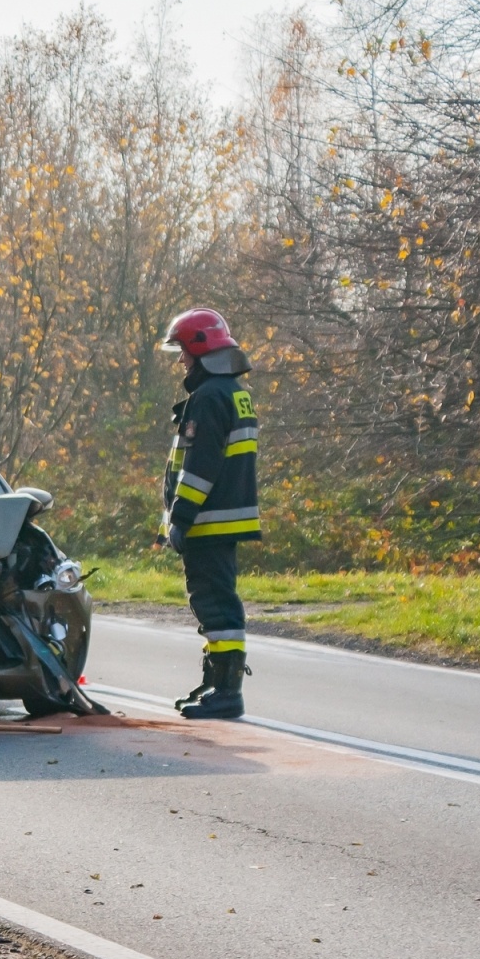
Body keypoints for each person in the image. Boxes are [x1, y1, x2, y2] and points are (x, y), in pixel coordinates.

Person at [157, 307, 260, 720]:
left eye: (183, 350)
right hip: (222, 519)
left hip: (208, 521)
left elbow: (200, 469)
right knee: (213, 602)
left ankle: (226, 692)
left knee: (215, 604)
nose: (181, 360)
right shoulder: (231, 393)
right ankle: (216, 682)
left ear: (201, 349)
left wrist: (179, 520)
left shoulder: (210, 398)